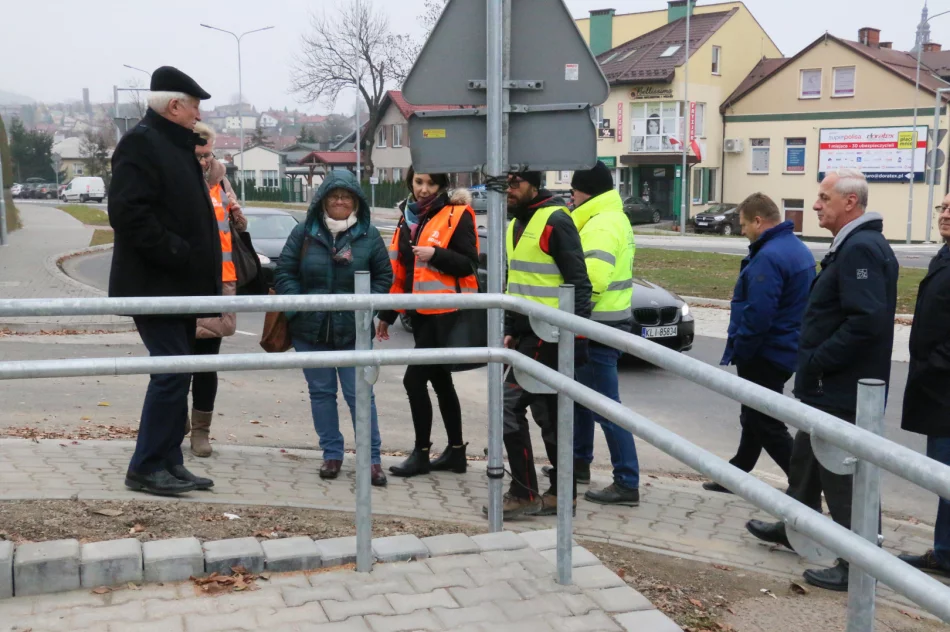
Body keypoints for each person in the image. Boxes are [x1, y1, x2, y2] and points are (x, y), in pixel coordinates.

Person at [746, 169, 898, 591]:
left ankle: (859, 565)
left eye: (823, 197)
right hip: (828, 385)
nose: (814, 205)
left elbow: (866, 321)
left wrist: (817, 362)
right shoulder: (851, 245)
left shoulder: (862, 249)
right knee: (807, 460)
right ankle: (798, 526)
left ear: (850, 202)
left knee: (844, 475)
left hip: (842, 387)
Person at [109, 66, 219, 496]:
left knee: (180, 371)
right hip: (154, 284)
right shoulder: (142, 142)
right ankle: (146, 465)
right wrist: (176, 250)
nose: (198, 115)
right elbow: (128, 212)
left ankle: (170, 462)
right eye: (194, 107)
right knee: (171, 372)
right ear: (175, 105)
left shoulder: (173, 144)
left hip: (177, 286)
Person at [274, 171, 392, 487]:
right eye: (333, 196)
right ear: (323, 200)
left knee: (360, 395)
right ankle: (332, 453)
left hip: (354, 330)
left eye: (346, 196)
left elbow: (384, 277)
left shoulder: (369, 235)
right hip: (310, 331)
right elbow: (284, 273)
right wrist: (298, 305)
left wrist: (366, 307)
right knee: (322, 393)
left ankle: (372, 459)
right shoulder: (304, 233)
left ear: (356, 201)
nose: (339, 201)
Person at [489, 171, 592, 520]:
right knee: (549, 417)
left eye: (517, 182)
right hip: (527, 335)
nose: (510, 190)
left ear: (535, 184)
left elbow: (579, 282)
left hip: (550, 336)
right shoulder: (515, 224)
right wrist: (509, 327)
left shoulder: (555, 220)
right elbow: (516, 282)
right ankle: (562, 494)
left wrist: (572, 336)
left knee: (506, 406)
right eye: (506, 184)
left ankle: (524, 492)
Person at [703, 193, 815, 493]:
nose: (742, 232)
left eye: (743, 225)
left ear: (757, 221)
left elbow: (759, 313)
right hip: (787, 345)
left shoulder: (768, 256)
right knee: (753, 414)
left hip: (767, 351)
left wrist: (743, 349)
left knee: (765, 422)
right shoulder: (797, 249)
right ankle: (738, 470)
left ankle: (804, 488)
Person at [376, 169, 479, 478]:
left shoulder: (457, 214)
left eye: (430, 183)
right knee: (440, 381)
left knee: (414, 380)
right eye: (418, 182)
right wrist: (387, 314)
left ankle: (422, 454)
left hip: (447, 314)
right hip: (420, 316)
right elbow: (402, 272)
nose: (423, 189)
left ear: (442, 185)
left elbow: (468, 263)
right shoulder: (407, 217)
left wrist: (435, 254)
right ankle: (456, 453)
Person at [568, 162, 641, 506]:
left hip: (597, 325)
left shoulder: (600, 224)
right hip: (605, 322)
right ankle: (578, 464)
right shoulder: (611, 218)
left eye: (574, 191)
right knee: (583, 399)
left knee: (606, 408)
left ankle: (627, 481)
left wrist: (575, 317)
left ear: (588, 192)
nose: (571, 197)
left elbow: (593, 279)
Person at [185, 122, 247, 458]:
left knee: (207, 363)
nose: (204, 161)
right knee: (176, 363)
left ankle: (201, 431)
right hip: (182, 286)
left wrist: (238, 215)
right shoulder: (176, 181)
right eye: (198, 155)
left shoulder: (221, 182)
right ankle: (176, 419)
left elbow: (237, 226)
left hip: (219, 284)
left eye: (208, 154)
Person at [897, 194, 950, 578]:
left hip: (945, 386)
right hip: (938, 389)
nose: (944, 215)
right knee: (942, 475)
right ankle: (944, 551)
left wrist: (936, 364)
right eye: (942, 208)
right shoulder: (943, 256)